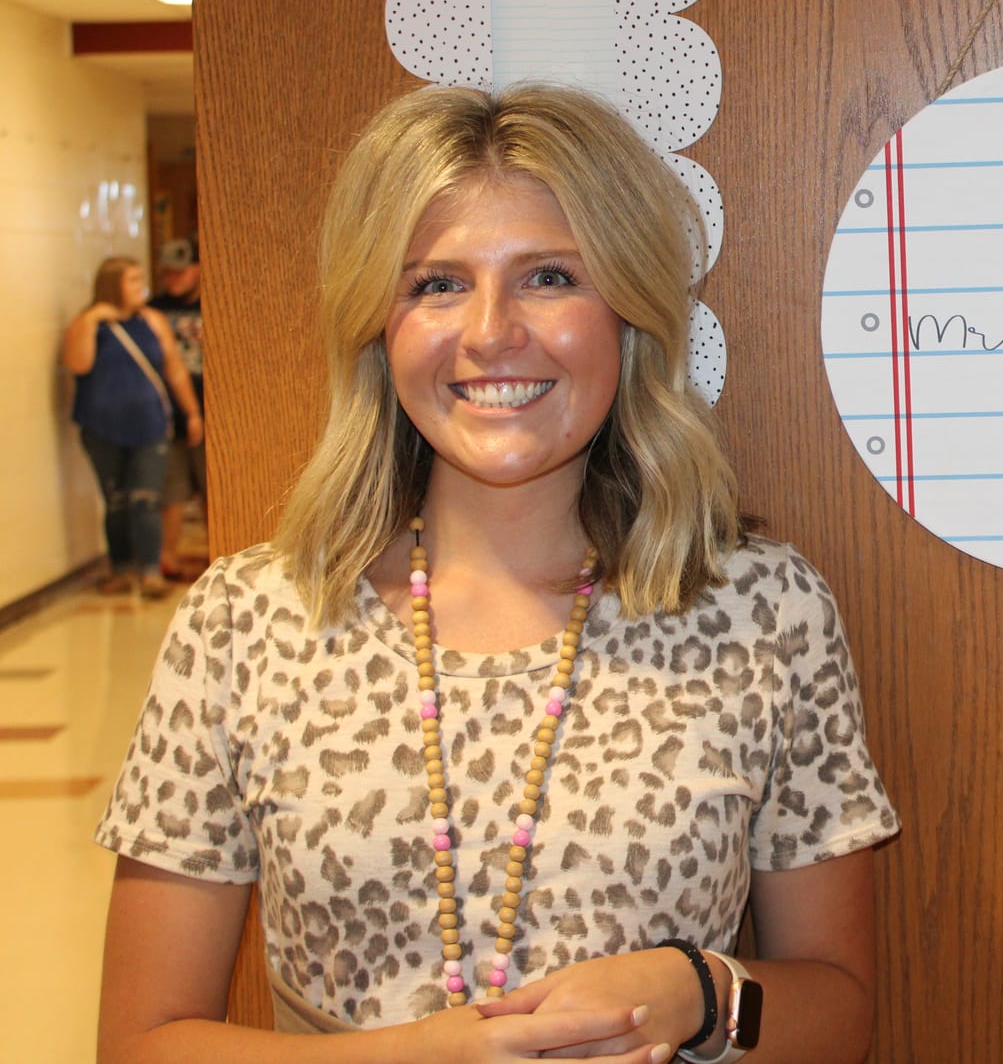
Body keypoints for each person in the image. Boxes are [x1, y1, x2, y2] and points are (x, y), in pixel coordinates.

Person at [94, 84, 900, 1062]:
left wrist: (699, 988)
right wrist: (416, 1055)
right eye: (436, 283)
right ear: (376, 324)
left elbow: (840, 1014)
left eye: (549, 275)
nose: (489, 331)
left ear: (629, 310)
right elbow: (139, 1040)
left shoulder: (763, 613)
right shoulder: (245, 623)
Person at [62, 256, 203, 599]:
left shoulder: (152, 320)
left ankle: (151, 571)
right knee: (117, 501)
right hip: (102, 428)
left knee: (146, 498)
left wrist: (192, 413)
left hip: (151, 425)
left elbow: (174, 370)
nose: (140, 286)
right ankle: (121, 569)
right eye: (132, 280)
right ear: (112, 286)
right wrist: (94, 318)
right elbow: (78, 364)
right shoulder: (88, 322)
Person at [148, 237, 206, 578]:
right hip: (168, 414)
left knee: (209, 487)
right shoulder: (154, 310)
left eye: (180, 273)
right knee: (172, 491)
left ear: (197, 270)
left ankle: (219, 552)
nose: (174, 280)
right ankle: (167, 557)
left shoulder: (213, 305)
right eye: (168, 274)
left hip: (210, 409)